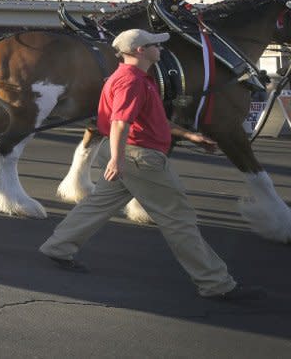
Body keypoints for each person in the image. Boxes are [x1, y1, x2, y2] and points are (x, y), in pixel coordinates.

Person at [39, 28, 265, 302]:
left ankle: (59, 247)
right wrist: (117, 159)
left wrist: (188, 135)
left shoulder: (133, 79)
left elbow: (152, 119)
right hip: (140, 158)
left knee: (96, 204)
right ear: (139, 51)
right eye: (155, 45)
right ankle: (216, 283)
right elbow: (120, 122)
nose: (161, 48)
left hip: (131, 156)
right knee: (179, 219)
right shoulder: (131, 82)